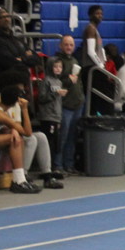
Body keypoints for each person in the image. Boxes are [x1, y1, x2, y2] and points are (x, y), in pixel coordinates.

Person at [0, 7, 39, 94]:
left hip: (20, 84)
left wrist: (21, 59)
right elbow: (8, 61)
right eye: (2, 17)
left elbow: (35, 57)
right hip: (4, 86)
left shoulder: (16, 40)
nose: (6, 19)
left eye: (7, 16)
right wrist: (25, 58)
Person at [52, 35, 84, 174]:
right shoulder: (56, 61)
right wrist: (68, 81)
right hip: (65, 105)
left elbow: (79, 81)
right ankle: (58, 165)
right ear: (60, 46)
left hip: (77, 103)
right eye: (66, 44)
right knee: (62, 137)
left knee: (72, 136)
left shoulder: (75, 60)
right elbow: (54, 81)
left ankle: (69, 164)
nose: (69, 47)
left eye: (71, 45)